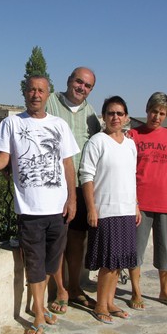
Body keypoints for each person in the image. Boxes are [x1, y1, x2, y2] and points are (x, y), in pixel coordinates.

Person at [0, 75, 79, 334]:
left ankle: (39, 305)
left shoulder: (59, 125)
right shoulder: (11, 123)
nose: (35, 94)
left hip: (58, 209)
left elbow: (67, 164)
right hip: (29, 210)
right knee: (35, 262)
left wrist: (72, 198)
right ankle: (38, 311)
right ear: (24, 93)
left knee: (51, 261)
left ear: (48, 94)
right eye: (31, 90)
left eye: (41, 90)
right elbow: (4, 159)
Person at [79, 95, 141, 324]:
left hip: (126, 210)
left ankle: (111, 301)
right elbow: (86, 177)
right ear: (103, 117)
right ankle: (101, 305)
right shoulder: (96, 142)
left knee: (119, 262)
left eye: (120, 113)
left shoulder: (130, 144)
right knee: (108, 262)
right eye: (111, 113)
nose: (115, 117)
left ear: (126, 117)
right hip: (105, 210)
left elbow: (131, 178)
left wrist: (135, 205)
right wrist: (91, 209)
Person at [45, 67, 101, 313]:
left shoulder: (91, 114)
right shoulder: (50, 103)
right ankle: (60, 290)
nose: (82, 88)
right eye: (79, 82)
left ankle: (75, 286)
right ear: (69, 81)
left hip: (80, 186)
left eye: (88, 86)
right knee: (57, 240)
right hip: (53, 185)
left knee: (77, 240)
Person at [127, 92, 167, 310]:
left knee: (166, 249)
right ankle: (136, 291)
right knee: (135, 250)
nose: (157, 117)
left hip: (166, 203)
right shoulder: (134, 135)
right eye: (154, 111)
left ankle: (164, 291)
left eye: (162, 113)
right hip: (140, 204)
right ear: (147, 109)